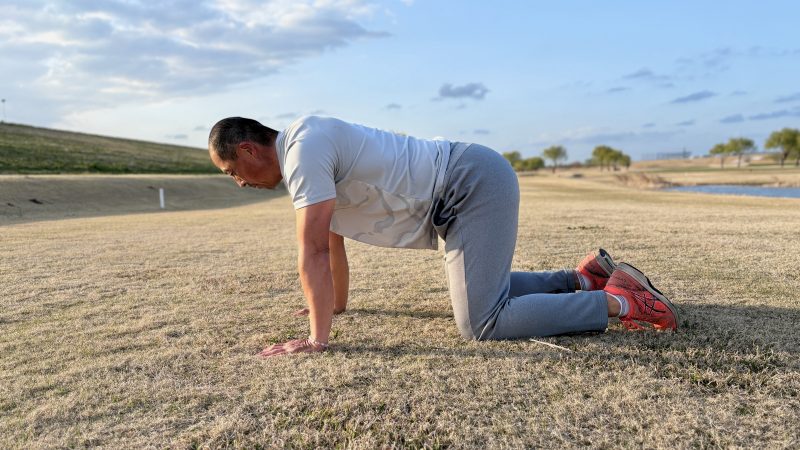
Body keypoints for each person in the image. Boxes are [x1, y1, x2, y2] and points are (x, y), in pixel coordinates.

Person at [207, 115, 679, 358]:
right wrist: (332, 308)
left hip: (470, 181)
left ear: (249, 149)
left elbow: (309, 250)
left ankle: (623, 303)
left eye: (233, 171)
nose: (239, 181)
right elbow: (330, 243)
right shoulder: (303, 156)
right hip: (460, 193)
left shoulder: (303, 151)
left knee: (482, 322)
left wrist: (316, 340)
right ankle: (584, 279)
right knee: (481, 296)